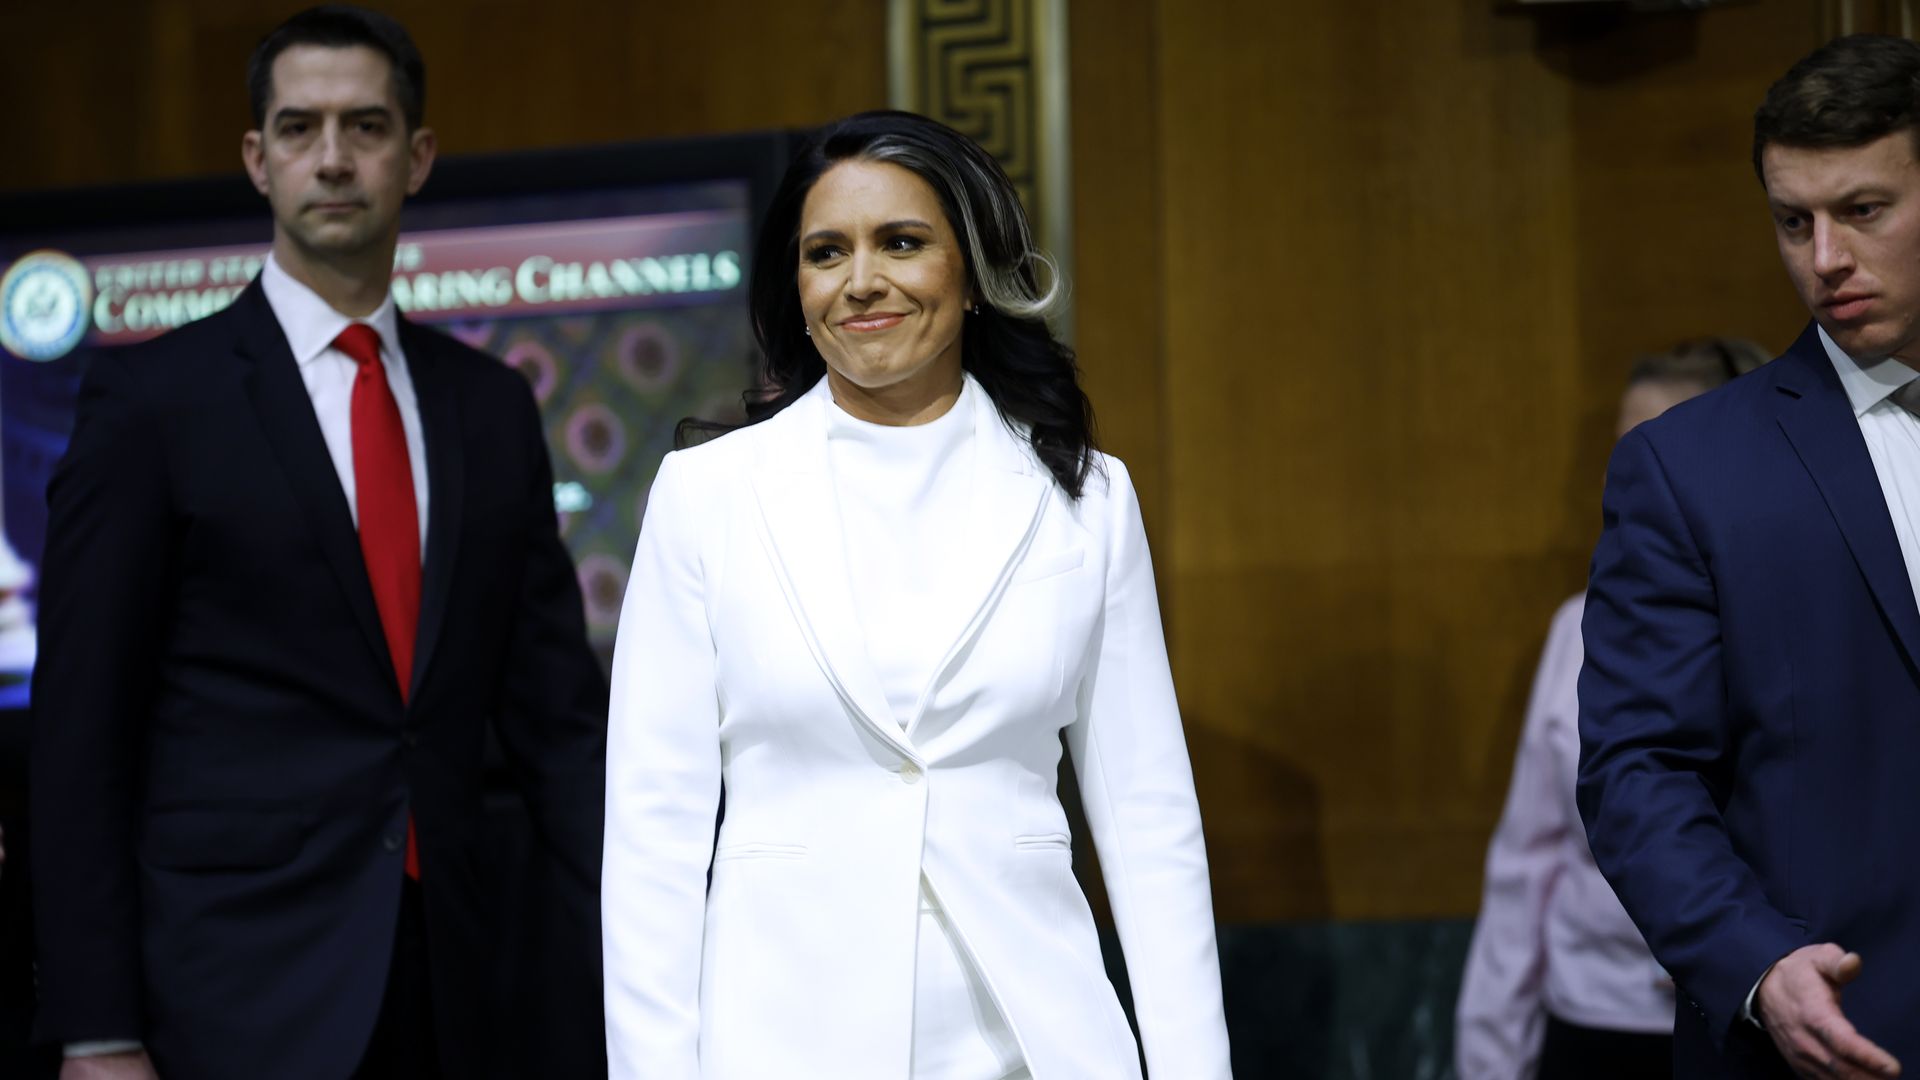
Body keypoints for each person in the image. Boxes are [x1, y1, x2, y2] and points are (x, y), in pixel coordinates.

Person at [29, 7, 608, 1079]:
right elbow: (79, 741)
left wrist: (651, 954)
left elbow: (556, 726)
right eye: (299, 129)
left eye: (367, 126)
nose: (332, 159)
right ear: (257, 159)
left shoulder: (488, 406)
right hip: (232, 989)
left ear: (418, 155)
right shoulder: (154, 402)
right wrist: (96, 1028)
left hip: (465, 986)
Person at [600, 110, 1232, 1079]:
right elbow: (654, 835)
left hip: (1033, 1032)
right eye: (827, 252)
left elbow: (1150, 824)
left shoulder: (1088, 499)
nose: (863, 281)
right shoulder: (708, 496)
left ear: (972, 272)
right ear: (797, 286)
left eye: (902, 243)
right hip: (783, 1037)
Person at [1578, 33, 1920, 1080]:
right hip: (1832, 1040)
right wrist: (1755, 963)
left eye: (1863, 211)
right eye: (1793, 221)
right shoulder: (1688, 470)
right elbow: (1638, 771)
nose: (1824, 258)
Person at [1456, 338, 1769, 1080]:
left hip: (1758, 1013)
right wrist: (1491, 1056)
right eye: (1620, 452)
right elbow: (1525, 864)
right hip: (1598, 1020)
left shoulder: (1799, 613)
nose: (1630, 479)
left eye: (1655, 450)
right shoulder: (1578, 627)